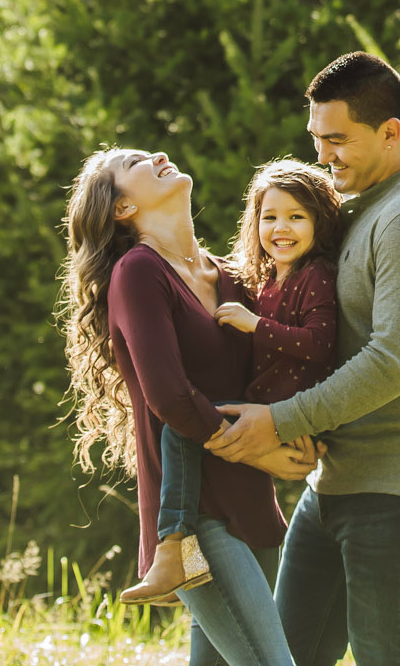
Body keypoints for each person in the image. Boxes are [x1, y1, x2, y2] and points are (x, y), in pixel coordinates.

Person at [209, 52, 400, 666]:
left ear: (391, 132)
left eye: (338, 140)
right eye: (316, 139)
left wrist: (282, 421)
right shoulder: (361, 205)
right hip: (338, 479)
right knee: (287, 656)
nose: (324, 156)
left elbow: (394, 362)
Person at [61, 146, 314, 666]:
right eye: (133, 164)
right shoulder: (138, 272)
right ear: (122, 209)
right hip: (192, 520)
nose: (157, 154)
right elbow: (170, 397)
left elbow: (268, 381)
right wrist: (260, 452)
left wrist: (299, 429)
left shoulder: (232, 277)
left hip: (256, 511)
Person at [124, 158, 343, 604]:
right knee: (178, 429)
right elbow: (171, 397)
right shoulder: (255, 280)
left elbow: (319, 343)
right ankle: (172, 546)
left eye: (297, 216)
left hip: (285, 411)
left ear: (320, 224)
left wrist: (254, 326)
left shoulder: (295, 278)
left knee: (181, 429)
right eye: (270, 217)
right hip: (250, 440)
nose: (281, 227)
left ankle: (171, 545)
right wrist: (261, 449)